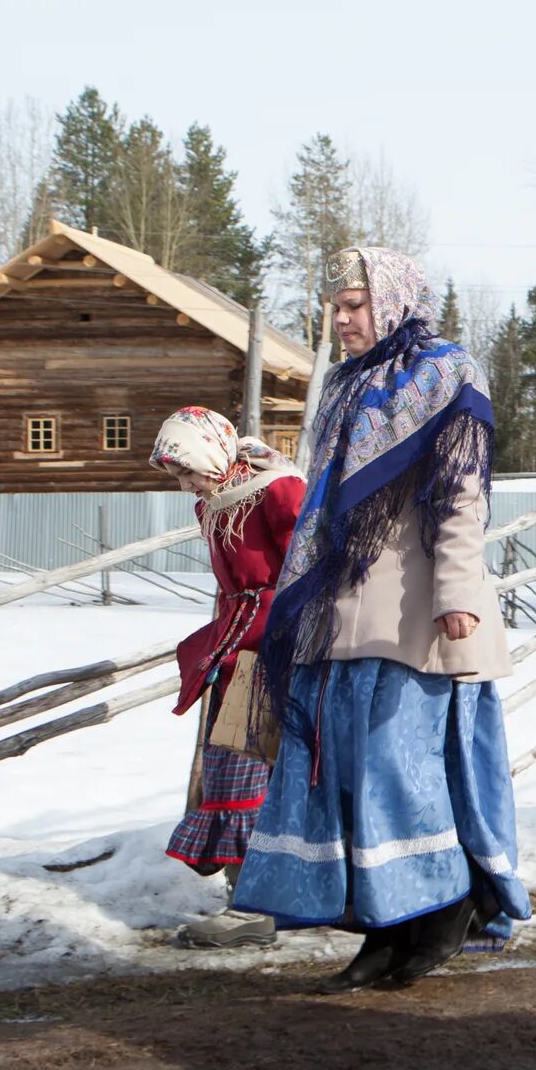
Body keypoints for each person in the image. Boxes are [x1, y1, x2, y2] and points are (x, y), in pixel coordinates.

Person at [228, 248, 527, 989]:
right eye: (336, 304)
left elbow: (461, 497)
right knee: (350, 778)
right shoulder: (342, 384)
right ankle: (381, 926)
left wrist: (457, 594)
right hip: (338, 617)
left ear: (393, 302)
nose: (342, 317)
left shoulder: (446, 375)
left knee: (403, 775)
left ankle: (441, 914)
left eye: (355, 303)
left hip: (414, 616)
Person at [151, 406, 306, 947]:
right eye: (177, 475)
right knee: (232, 770)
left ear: (210, 453)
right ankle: (253, 900)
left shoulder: (279, 490)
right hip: (235, 646)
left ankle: (256, 910)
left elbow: (309, 569)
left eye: (185, 469)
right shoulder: (214, 502)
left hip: (276, 648)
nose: (185, 483)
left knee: (253, 772)